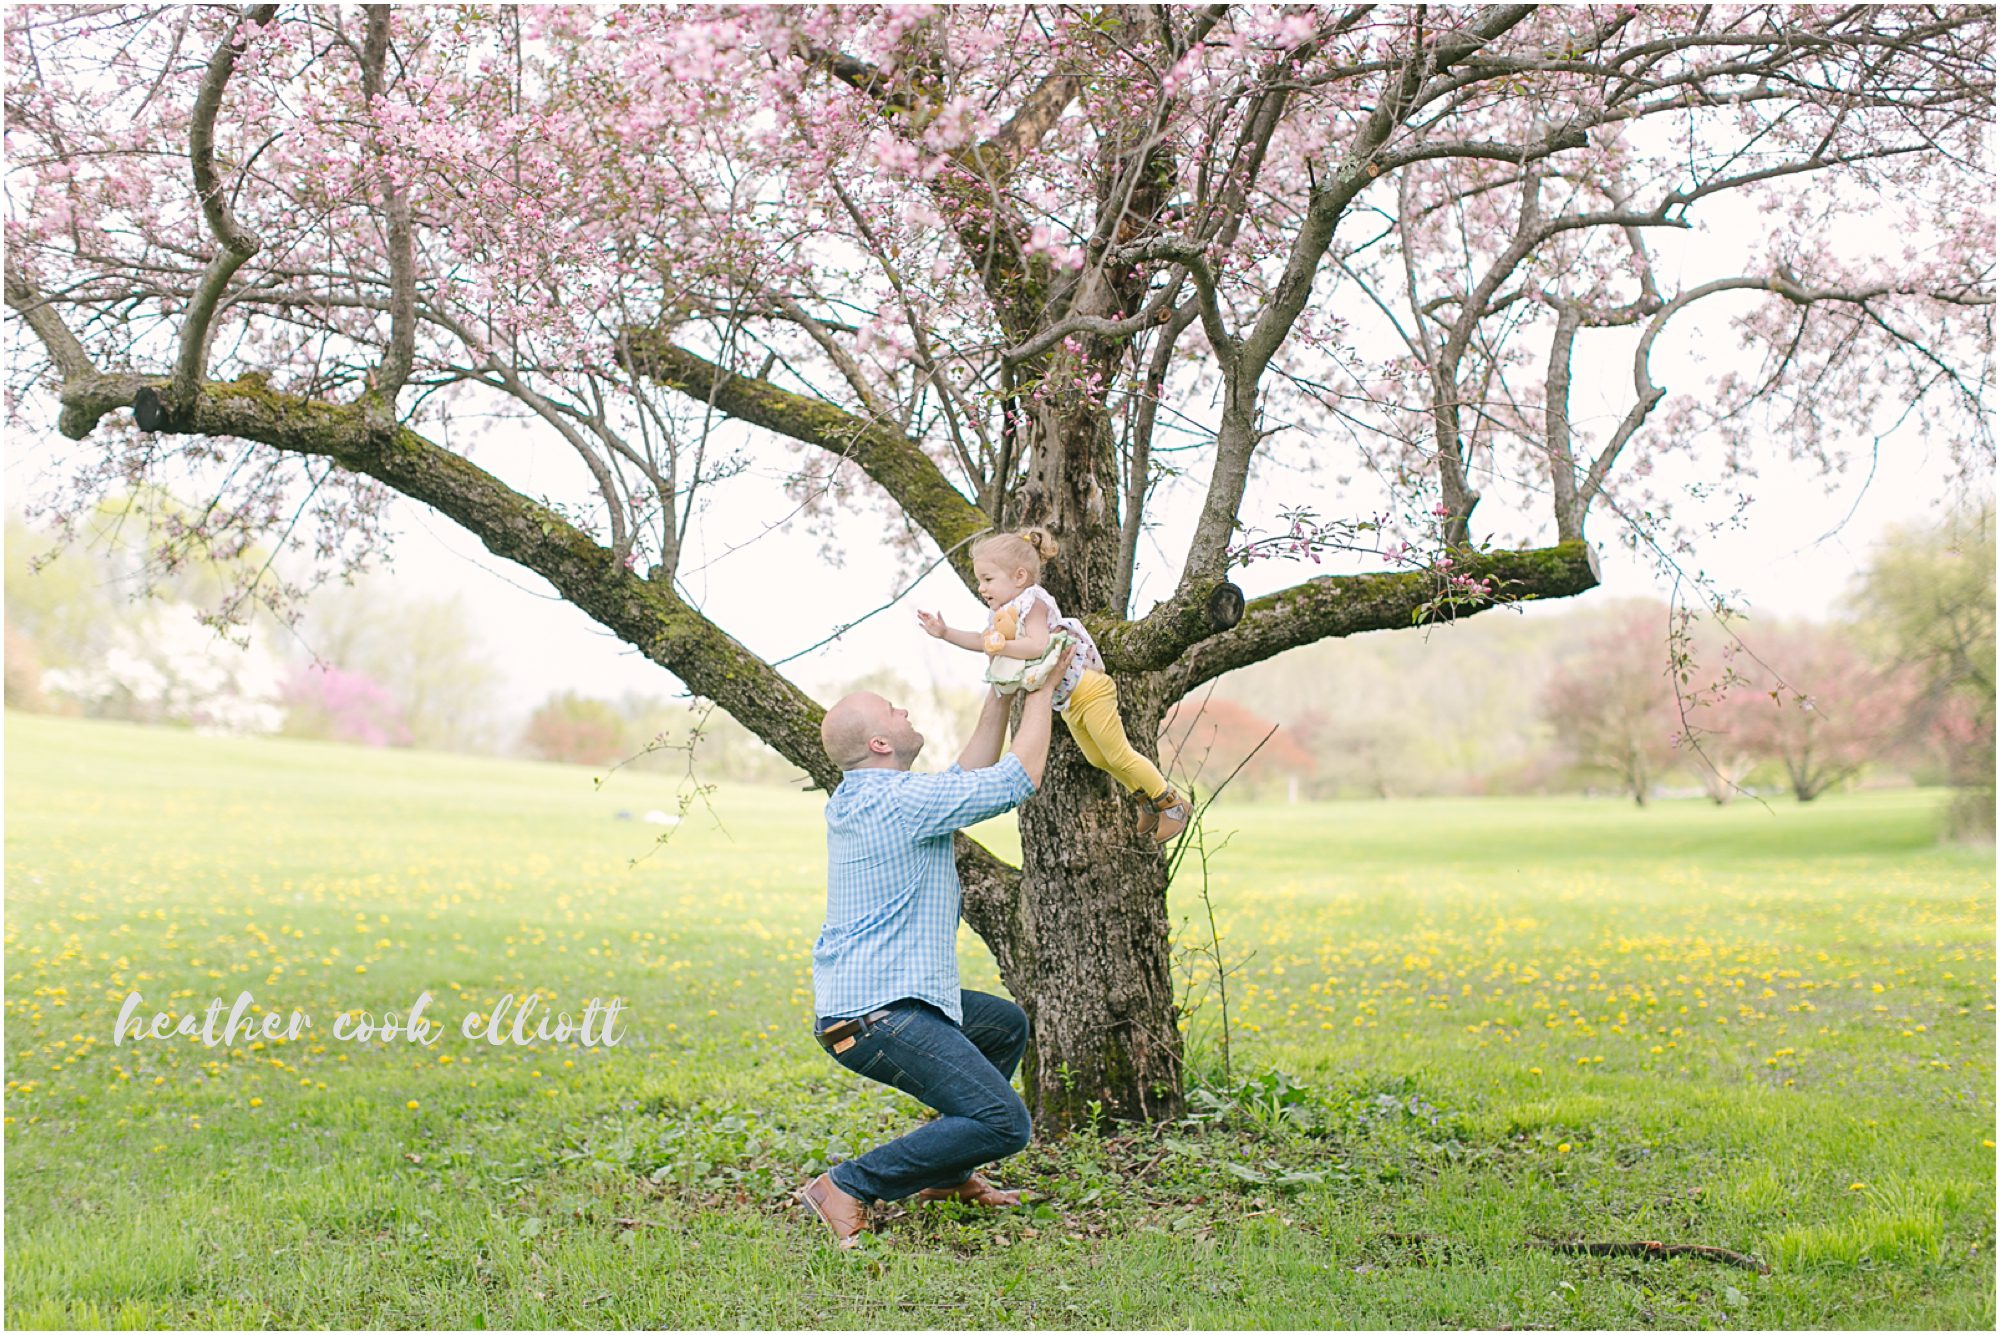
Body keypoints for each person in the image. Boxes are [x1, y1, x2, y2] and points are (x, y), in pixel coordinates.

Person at [797, 645, 1073, 1248]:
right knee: (1004, 1122)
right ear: (878, 744)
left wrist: (1000, 691)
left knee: (1001, 1025)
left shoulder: (872, 796)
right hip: (876, 1018)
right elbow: (1015, 778)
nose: (904, 710)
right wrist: (1045, 689)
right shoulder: (897, 803)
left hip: (883, 1002)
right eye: (892, 711)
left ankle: (947, 1176)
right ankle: (847, 1184)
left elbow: (965, 779)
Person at [918, 527, 1192, 844]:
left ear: (1019, 576)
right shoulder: (1004, 615)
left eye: (988, 579)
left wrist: (1000, 647)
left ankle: (1172, 805)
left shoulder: (1034, 604)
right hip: (1069, 700)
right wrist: (945, 632)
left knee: (1118, 753)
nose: (981, 588)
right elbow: (983, 642)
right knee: (1098, 758)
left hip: (1089, 688)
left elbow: (1037, 645)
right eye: (980, 580)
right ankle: (1147, 799)